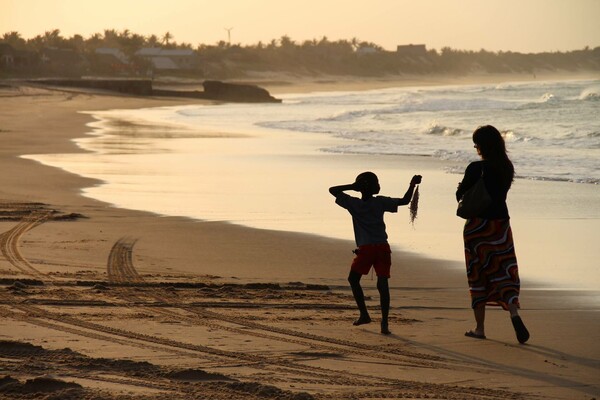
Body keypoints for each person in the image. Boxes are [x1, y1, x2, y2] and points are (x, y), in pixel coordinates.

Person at [456, 125, 530, 344]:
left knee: (478, 274)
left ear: (481, 146)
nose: (476, 148)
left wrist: (460, 187)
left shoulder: (475, 168)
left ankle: (480, 328)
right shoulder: (506, 167)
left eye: (476, 144)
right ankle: (514, 313)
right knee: (504, 270)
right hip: (500, 226)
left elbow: (461, 196)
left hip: (477, 228)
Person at [329, 172, 422, 335]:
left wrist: (352, 187)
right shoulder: (380, 202)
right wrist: (412, 185)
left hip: (366, 250)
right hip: (383, 248)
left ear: (360, 187)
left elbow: (332, 190)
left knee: (353, 279)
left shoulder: (353, 203)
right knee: (383, 285)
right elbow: (405, 201)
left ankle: (364, 314)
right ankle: (384, 323)